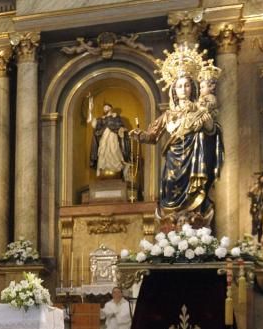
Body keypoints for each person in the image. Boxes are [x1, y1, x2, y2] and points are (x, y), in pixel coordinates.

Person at [131, 62, 224, 229]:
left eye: (187, 85)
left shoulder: (200, 110)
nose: (183, 89)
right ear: (174, 90)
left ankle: (194, 222)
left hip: (195, 157)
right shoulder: (168, 115)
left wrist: (209, 124)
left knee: (194, 193)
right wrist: (140, 136)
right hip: (174, 159)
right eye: (179, 86)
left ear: (193, 88)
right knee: (169, 187)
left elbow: (212, 132)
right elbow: (153, 136)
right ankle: (172, 224)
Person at [87, 99, 130, 177]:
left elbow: (120, 126)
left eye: (106, 107)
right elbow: (93, 123)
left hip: (113, 137)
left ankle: (117, 169)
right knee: (102, 151)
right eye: (104, 108)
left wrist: (122, 129)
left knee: (114, 150)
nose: (104, 109)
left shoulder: (116, 117)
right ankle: (101, 168)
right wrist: (90, 110)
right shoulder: (102, 119)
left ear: (110, 108)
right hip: (104, 138)